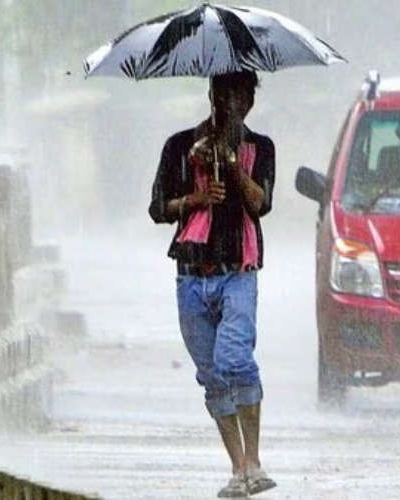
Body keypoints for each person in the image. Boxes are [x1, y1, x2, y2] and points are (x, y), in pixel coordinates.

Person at [148, 71, 276, 498]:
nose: (230, 105)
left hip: (239, 270)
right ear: (211, 96)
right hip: (191, 273)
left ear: (250, 102)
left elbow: (261, 203)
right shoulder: (180, 147)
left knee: (235, 359)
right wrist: (196, 199)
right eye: (223, 95)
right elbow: (157, 207)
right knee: (211, 373)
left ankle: (255, 461)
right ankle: (238, 468)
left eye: (239, 97)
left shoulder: (261, 149)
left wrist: (234, 164)